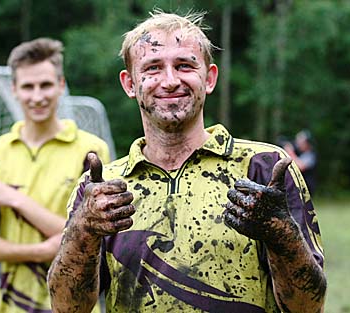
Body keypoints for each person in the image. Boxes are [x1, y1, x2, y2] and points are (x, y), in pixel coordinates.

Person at [48, 11, 326, 313]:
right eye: (153, 68)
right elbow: (67, 307)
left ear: (209, 78)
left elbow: (308, 307)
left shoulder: (264, 168)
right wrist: (83, 229)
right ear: (129, 83)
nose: (170, 81)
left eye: (184, 66)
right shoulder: (103, 191)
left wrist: (281, 234)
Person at [0, 38, 110, 313]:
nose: (37, 96)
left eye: (46, 85)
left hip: (75, 305)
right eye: (28, 86)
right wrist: (40, 250)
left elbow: (95, 238)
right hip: (13, 305)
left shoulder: (91, 151)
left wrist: (16, 199)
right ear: (14, 89)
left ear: (61, 85)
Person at [283, 129, 317, 195]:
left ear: (307, 143)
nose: (298, 144)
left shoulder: (310, 154)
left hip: (306, 187)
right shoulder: (300, 153)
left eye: (301, 142)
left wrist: (290, 152)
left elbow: (301, 167)